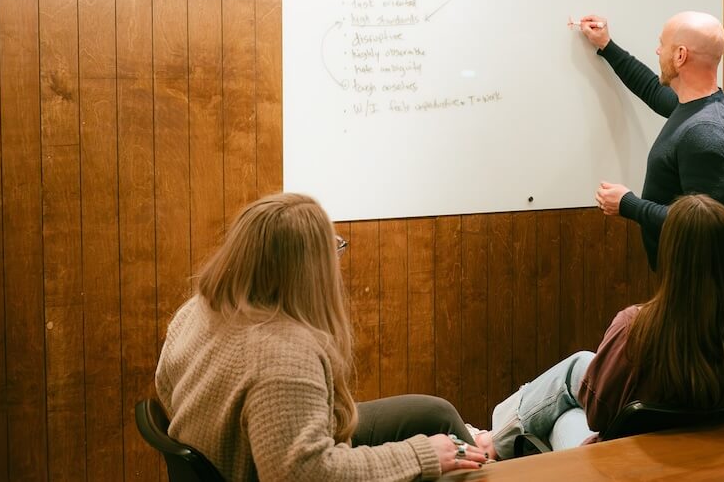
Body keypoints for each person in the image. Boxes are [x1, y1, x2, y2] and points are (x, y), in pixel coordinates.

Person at [155, 192, 489, 481]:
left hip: (263, 453)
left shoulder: (197, 309)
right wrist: (421, 455)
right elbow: (307, 473)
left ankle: (479, 453)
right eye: (332, 249)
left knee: (434, 415)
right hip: (281, 466)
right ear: (308, 270)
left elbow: (166, 387)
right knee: (448, 462)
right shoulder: (284, 357)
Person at [476, 195, 724, 460]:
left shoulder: (634, 329)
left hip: (632, 468)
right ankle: (492, 438)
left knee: (565, 415)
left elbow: (598, 416)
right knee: (580, 363)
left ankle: (490, 442)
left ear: (671, 257)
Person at [578, 11, 724, 270]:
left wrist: (628, 204)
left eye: (662, 44)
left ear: (680, 55)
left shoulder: (703, 131)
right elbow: (652, 90)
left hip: (697, 281)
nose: (657, 51)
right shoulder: (699, 104)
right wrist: (606, 45)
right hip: (685, 276)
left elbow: (702, 226)